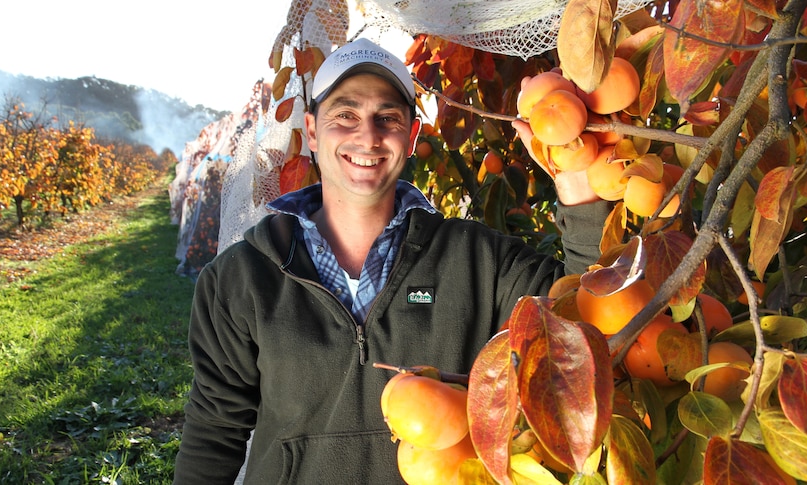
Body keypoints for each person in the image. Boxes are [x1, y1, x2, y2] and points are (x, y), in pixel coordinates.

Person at [173, 37, 612, 484]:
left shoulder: (478, 261)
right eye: (345, 115)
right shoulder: (244, 277)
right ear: (310, 130)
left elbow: (587, 316)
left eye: (388, 117)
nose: (368, 135)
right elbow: (214, 433)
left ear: (412, 136)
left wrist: (578, 185)